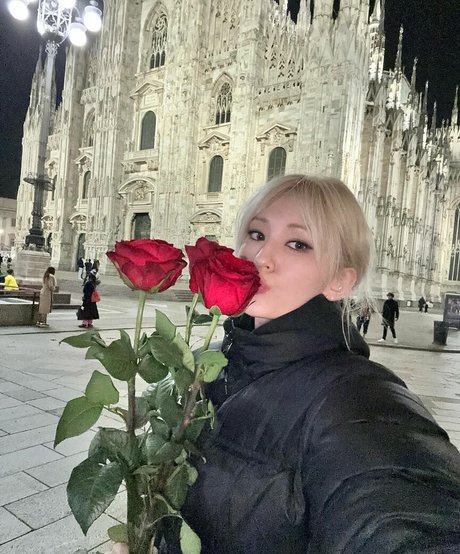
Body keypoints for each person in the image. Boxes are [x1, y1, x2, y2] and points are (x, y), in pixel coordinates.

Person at [169, 175, 460, 554]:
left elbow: (403, 521)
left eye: (298, 244)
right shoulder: (212, 364)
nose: (262, 257)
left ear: (339, 281)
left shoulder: (359, 402)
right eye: (257, 234)